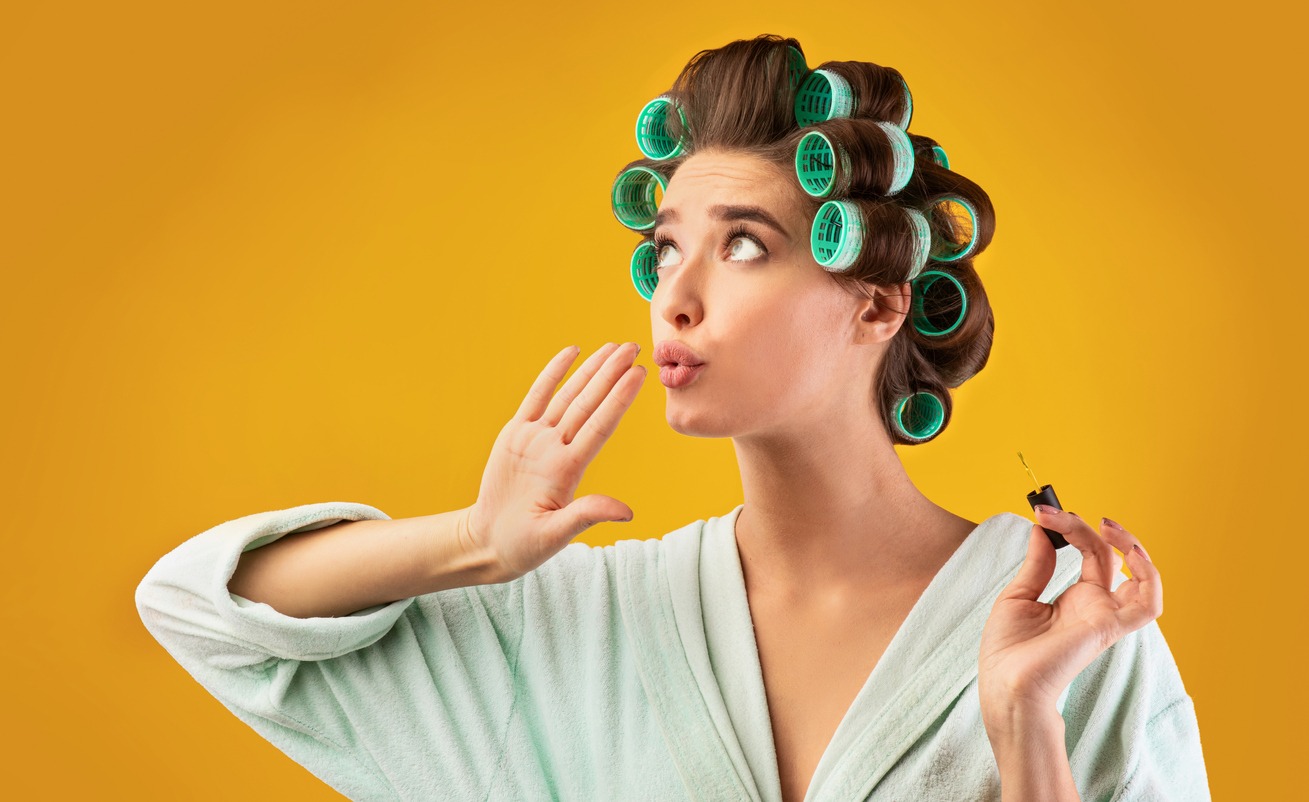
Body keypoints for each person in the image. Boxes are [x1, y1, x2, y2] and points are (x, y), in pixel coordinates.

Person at [135, 34, 1209, 801]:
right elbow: (195, 607)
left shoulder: (1070, 635)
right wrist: (472, 542)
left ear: (877, 301)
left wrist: (1024, 725)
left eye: (742, 243)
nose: (674, 293)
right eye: (664, 249)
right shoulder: (584, 623)